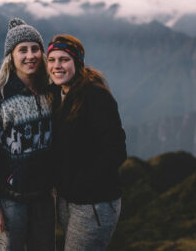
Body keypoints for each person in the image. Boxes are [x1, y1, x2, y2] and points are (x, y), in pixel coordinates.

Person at [0, 18, 55, 251]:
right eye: (23, 50)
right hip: (11, 199)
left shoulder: (49, 93)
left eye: (35, 49)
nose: (30, 55)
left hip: (43, 196)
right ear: (11, 56)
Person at [47, 34, 127, 251]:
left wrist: (80, 184)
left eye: (64, 59)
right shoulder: (57, 94)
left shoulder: (96, 97)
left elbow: (116, 150)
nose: (57, 66)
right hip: (67, 199)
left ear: (77, 62)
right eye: (52, 60)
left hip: (94, 203)